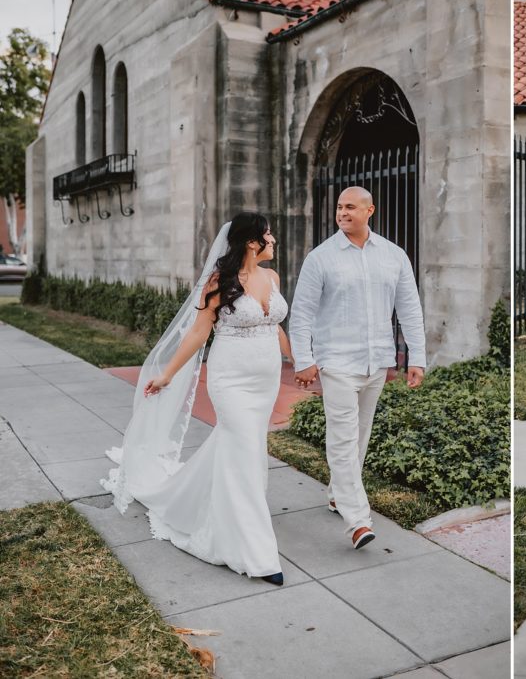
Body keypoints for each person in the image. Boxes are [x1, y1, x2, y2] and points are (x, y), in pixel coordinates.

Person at [102, 213, 291, 586]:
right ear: (252, 242)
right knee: (242, 448)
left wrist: (300, 358)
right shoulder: (219, 283)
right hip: (231, 381)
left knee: (247, 449)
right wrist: (168, 373)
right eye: (268, 234)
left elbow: (275, 325)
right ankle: (255, 551)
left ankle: (219, 511)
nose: (273, 240)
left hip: (264, 381)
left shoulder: (272, 278)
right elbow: (198, 333)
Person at [289, 186, 425, 550]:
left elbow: (409, 308)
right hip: (336, 362)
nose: (342, 212)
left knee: (360, 434)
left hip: (376, 361)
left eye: (350, 207)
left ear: (370, 211)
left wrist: (417, 358)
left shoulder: (394, 256)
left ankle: (337, 493)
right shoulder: (321, 258)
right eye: (339, 207)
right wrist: (304, 359)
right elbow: (300, 313)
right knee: (343, 437)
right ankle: (357, 520)